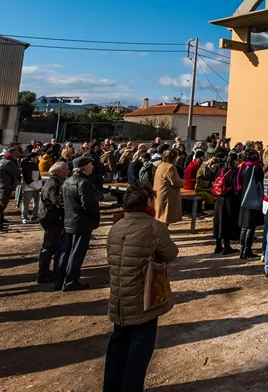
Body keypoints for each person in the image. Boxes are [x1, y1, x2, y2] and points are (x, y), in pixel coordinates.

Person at [102, 186, 179, 392]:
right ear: (147, 203)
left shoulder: (116, 226)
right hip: (143, 296)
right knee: (140, 348)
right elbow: (171, 254)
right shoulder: (154, 228)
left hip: (119, 296)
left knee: (118, 344)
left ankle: (111, 387)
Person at [58, 156, 101, 291]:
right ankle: (71, 280)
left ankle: (61, 278)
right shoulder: (84, 183)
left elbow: (61, 202)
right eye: (90, 165)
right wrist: (94, 217)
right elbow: (89, 205)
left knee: (67, 251)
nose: (92, 167)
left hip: (69, 220)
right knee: (77, 252)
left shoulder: (67, 181)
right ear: (85, 168)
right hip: (82, 222)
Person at [38, 162, 69, 285]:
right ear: (58, 172)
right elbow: (59, 202)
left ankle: (45, 271)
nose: (68, 171)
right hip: (52, 219)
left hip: (51, 218)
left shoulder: (54, 182)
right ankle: (43, 273)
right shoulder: (53, 185)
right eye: (65, 169)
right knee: (49, 246)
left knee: (51, 246)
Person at [237, 150, 265, 259]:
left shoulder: (242, 167)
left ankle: (242, 249)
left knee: (244, 225)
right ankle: (247, 250)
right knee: (250, 226)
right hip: (252, 198)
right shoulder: (257, 168)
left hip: (243, 198)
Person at [0, 144, 23, 234]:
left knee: (0, 205)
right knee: (0, 206)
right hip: (4, 186)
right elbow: (17, 172)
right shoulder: (8, 162)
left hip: (2, 186)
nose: (17, 155)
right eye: (16, 153)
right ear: (11, 154)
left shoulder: (3, 161)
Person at [213, 155, 241, 255]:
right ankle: (226, 246)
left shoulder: (221, 169)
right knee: (227, 221)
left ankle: (218, 245)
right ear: (235, 161)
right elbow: (235, 186)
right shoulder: (235, 171)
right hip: (229, 199)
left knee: (218, 221)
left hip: (219, 198)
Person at [152, 150, 183, 227]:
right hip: (167, 195)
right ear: (174, 157)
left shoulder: (161, 165)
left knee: (160, 217)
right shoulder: (170, 167)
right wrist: (184, 182)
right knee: (165, 217)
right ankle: (161, 232)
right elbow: (176, 182)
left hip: (159, 193)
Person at [20, 151, 41, 224]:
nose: (38, 158)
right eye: (36, 157)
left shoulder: (35, 165)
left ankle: (35, 216)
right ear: (32, 158)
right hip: (28, 187)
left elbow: (39, 177)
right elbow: (28, 178)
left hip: (36, 186)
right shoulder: (26, 165)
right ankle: (24, 217)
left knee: (36, 202)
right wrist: (37, 187)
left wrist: (39, 186)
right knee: (26, 202)